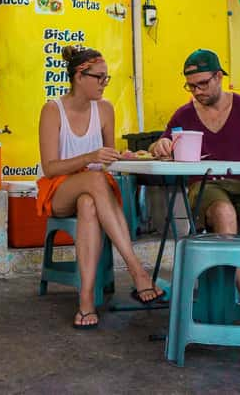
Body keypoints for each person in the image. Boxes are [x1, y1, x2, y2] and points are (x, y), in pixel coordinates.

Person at [149, 48, 240, 333]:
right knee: (225, 216)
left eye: (203, 83)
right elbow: (159, 147)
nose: (197, 91)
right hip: (205, 187)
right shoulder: (184, 114)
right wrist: (160, 146)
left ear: (218, 77)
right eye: (191, 86)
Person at [36, 46, 164, 330]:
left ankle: (85, 301)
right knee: (93, 181)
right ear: (79, 76)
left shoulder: (105, 109)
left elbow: (107, 156)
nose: (105, 84)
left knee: (89, 203)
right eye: (100, 78)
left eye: (107, 78)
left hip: (94, 191)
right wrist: (90, 158)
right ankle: (135, 269)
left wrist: (121, 156)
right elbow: (50, 167)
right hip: (59, 189)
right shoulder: (52, 110)